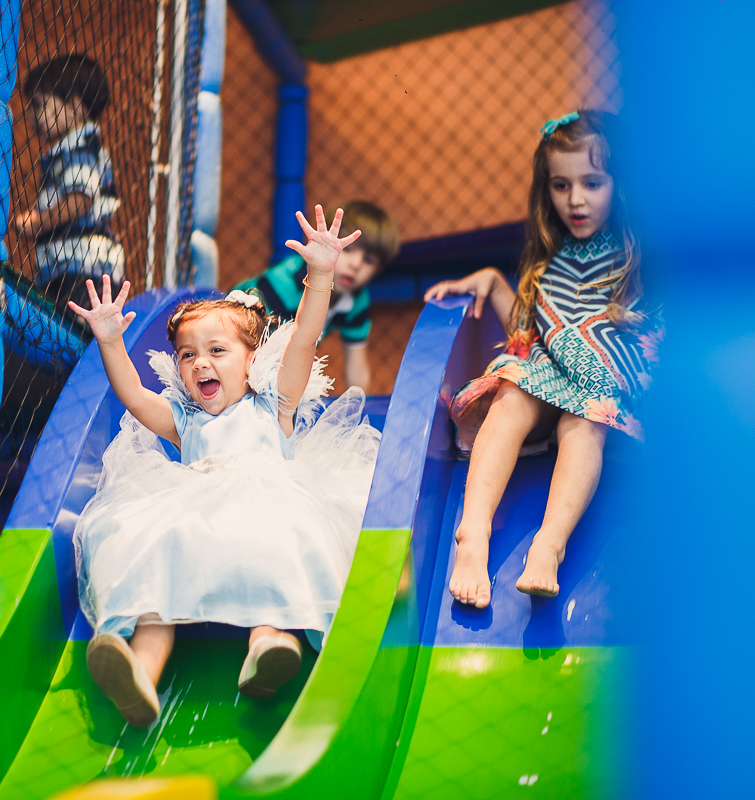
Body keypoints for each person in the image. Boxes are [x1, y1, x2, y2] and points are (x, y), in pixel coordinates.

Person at [67, 206, 382, 727]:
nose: (200, 363)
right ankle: (140, 676)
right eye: (187, 356)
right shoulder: (185, 419)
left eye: (216, 350)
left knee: (279, 544)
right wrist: (109, 341)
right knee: (155, 560)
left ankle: (270, 648)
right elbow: (132, 396)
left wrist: (321, 273)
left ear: (251, 359)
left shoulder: (272, 402)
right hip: (194, 511)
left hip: (267, 503)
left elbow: (303, 336)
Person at [425, 110, 661, 609]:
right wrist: (491, 282)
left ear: (620, 183)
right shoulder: (549, 259)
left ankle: (549, 543)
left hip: (598, 383)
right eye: (561, 185)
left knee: (586, 419)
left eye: (592, 183)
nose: (576, 199)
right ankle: (473, 533)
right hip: (546, 370)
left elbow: (652, 330)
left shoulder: (637, 253)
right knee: (512, 395)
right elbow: (530, 330)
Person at [233, 200, 399, 392]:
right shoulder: (286, 282)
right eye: (347, 249)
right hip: (238, 336)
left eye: (369, 260)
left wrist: (358, 408)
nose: (356, 264)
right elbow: (249, 343)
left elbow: (357, 370)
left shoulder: (356, 300)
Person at [15, 54, 124, 314]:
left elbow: (79, 200)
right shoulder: (69, 149)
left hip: (84, 274)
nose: (31, 116)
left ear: (75, 105)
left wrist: (37, 223)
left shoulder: (80, 147)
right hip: (68, 270)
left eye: (39, 104)